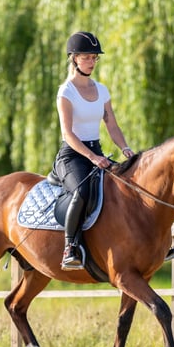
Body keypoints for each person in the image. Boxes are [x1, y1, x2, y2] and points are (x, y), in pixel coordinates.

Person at [53, 31, 136, 270]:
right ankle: (70, 246)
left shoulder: (102, 90)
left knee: (127, 187)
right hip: (72, 155)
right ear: (74, 59)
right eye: (87, 57)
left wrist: (125, 148)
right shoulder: (66, 92)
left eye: (94, 58)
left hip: (96, 152)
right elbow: (68, 134)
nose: (92, 62)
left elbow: (111, 124)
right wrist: (92, 157)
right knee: (81, 192)